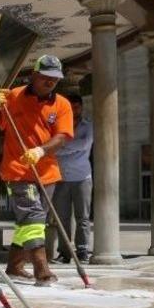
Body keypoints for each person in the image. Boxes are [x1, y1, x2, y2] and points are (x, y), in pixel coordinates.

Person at [0, 55, 74, 285]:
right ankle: (42, 270)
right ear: (34, 75)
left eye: (55, 79)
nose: (50, 82)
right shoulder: (14, 97)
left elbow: (62, 137)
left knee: (30, 222)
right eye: (46, 77)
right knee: (33, 217)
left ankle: (15, 267)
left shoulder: (62, 104)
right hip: (17, 170)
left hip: (47, 172)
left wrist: (40, 151)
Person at [49, 94, 93, 262]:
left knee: (83, 216)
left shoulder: (88, 126)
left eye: (77, 107)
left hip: (82, 176)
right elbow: (53, 149)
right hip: (61, 177)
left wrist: (62, 146)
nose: (74, 110)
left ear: (81, 107)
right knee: (62, 217)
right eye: (71, 107)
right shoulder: (58, 126)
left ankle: (82, 250)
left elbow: (84, 144)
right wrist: (68, 148)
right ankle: (65, 252)